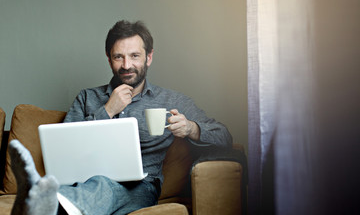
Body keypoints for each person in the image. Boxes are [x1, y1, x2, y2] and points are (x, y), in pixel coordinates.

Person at [9, 20, 233, 215]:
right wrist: (107, 110)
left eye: (135, 56)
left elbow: (225, 136)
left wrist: (191, 128)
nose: (127, 65)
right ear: (109, 59)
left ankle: (39, 200)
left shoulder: (171, 100)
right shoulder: (88, 97)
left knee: (104, 187)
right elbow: (64, 149)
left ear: (149, 57)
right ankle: (45, 203)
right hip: (86, 182)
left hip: (141, 188)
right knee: (98, 184)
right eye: (119, 57)